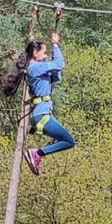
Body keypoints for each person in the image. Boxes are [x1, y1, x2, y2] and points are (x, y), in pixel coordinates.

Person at [23, 30, 75, 176]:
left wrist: (52, 58)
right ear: (35, 53)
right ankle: (37, 153)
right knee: (69, 141)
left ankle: (38, 154)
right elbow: (60, 64)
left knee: (67, 140)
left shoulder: (38, 69)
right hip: (41, 114)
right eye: (44, 53)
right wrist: (55, 44)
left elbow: (56, 76)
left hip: (41, 114)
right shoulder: (34, 67)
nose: (45, 56)